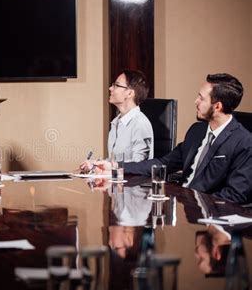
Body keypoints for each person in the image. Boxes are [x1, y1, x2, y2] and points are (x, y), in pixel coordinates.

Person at [95, 73, 252, 204]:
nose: (195, 102)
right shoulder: (196, 131)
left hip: (208, 216)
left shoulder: (244, 142)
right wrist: (115, 166)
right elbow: (162, 164)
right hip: (183, 206)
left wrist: (193, 203)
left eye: (201, 98)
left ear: (217, 106)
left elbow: (235, 195)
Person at [80, 69, 153, 172]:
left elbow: (139, 166)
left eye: (116, 85)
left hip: (134, 185)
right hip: (117, 184)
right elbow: (114, 162)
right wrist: (95, 165)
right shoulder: (116, 122)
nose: (110, 88)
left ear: (129, 93)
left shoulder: (140, 123)